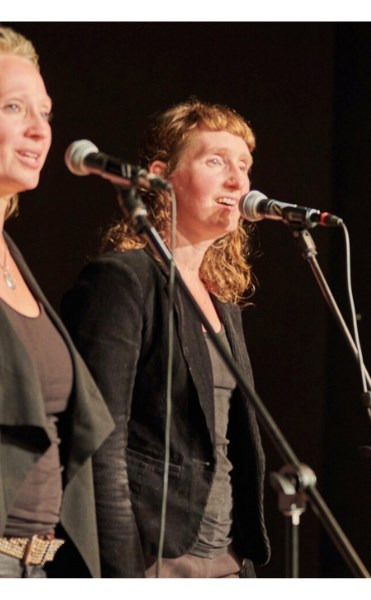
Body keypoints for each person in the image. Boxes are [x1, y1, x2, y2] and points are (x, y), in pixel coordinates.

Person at [62, 99, 270, 577]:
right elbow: (99, 443)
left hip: (228, 561)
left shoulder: (224, 308)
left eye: (244, 166)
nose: (237, 180)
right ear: (160, 176)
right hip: (154, 559)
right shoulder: (123, 280)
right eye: (216, 161)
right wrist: (122, 573)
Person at [0, 25, 113, 578]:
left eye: (44, 112)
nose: (39, 130)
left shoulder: (15, 258)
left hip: (38, 566)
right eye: (14, 107)